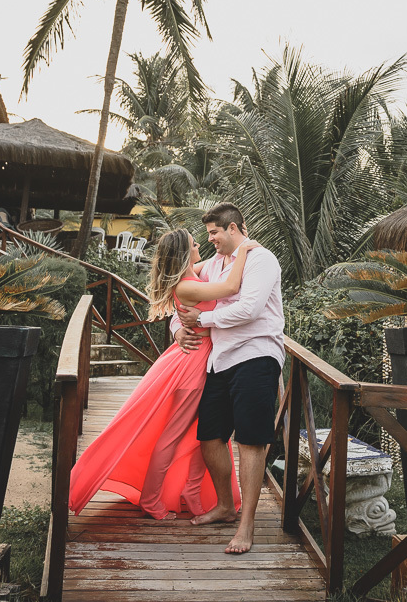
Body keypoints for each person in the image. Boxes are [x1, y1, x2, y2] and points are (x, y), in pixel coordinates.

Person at [67, 228, 259, 519]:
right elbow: (231, 287)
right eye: (195, 243)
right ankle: (152, 500)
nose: (200, 246)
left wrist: (178, 327)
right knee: (172, 436)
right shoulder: (187, 286)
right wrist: (244, 249)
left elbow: (211, 269)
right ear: (185, 253)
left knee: (202, 435)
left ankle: (192, 493)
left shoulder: (191, 275)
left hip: (197, 360)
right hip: (192, 366)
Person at [174, 202, 285, 555]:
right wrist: (178, 328)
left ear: (234, 228)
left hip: (256, 355)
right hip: (219, 360)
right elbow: (183, 291)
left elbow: (249, 309)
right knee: (210, 435)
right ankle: (225, 506)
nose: (211, 240)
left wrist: (201, 322)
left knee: (251, 441)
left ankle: (246, 524)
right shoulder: (215, 264)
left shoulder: (261, 259)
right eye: (207, 234)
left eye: (214, 233)